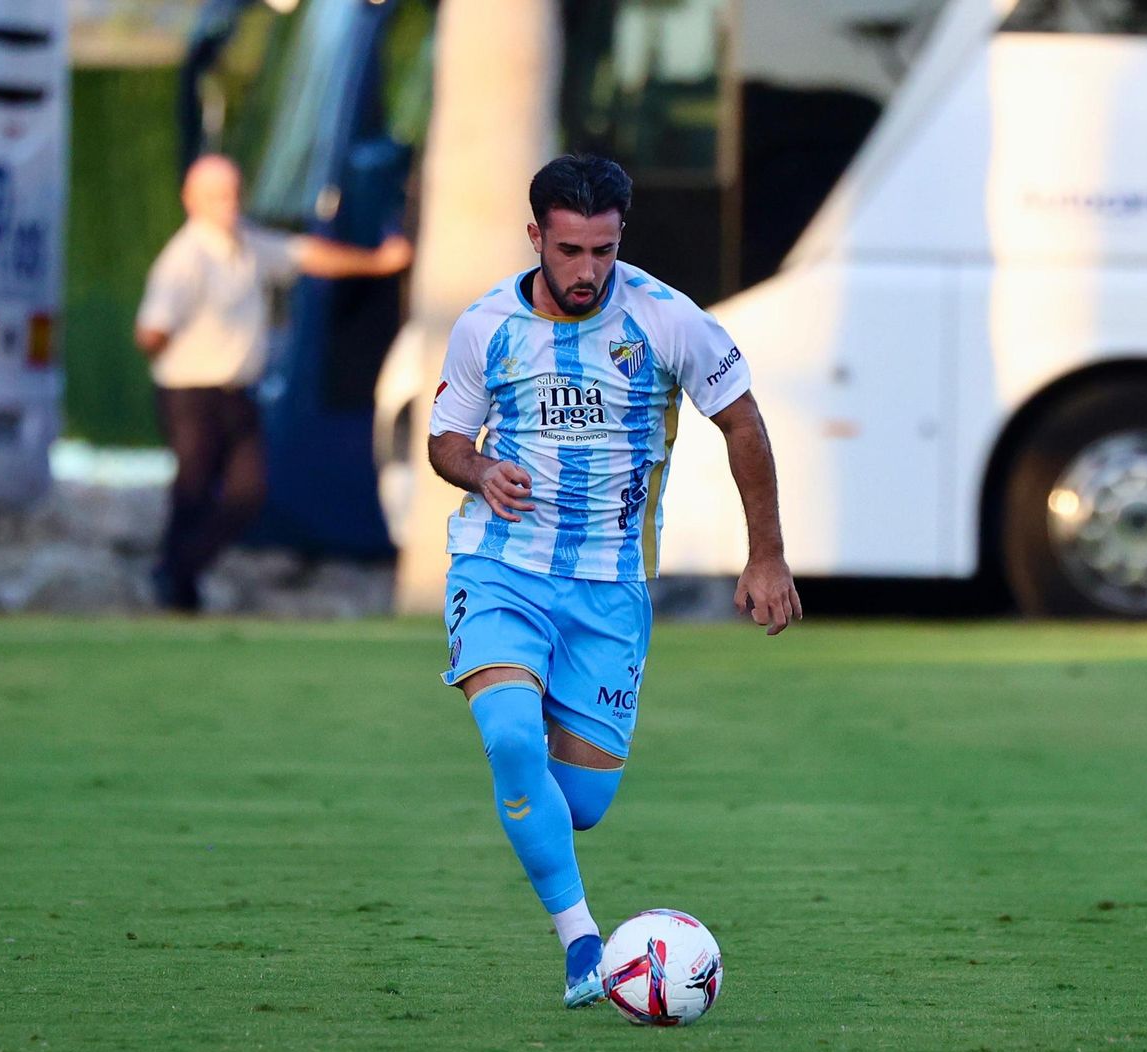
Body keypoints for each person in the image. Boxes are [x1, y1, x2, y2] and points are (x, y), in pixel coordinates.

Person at [427, 154, 801, 1008]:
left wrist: (767, 554)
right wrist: (479, 469)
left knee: (581, 805)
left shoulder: (669, 320)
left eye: (602, 249)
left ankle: (538, 824)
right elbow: (445, 438)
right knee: (514, 738)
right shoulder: (485, 323)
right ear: (537, 239)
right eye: (569, 251)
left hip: (609, 592)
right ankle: (583, 946)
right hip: (500, 569)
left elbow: (742, 421)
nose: (588, 270)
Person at [134, 154, 412, 612]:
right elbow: (152, 328)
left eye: (232, 193)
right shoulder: (185, 260)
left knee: (249, 491)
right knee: (193, 490)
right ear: (192, 201)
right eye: (216, 195)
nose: (228, 203)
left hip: (236, 392)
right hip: (190, 392)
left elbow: (306, 255)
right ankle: (178, 587)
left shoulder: (247, 244)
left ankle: (177, 573)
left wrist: (378, 264)